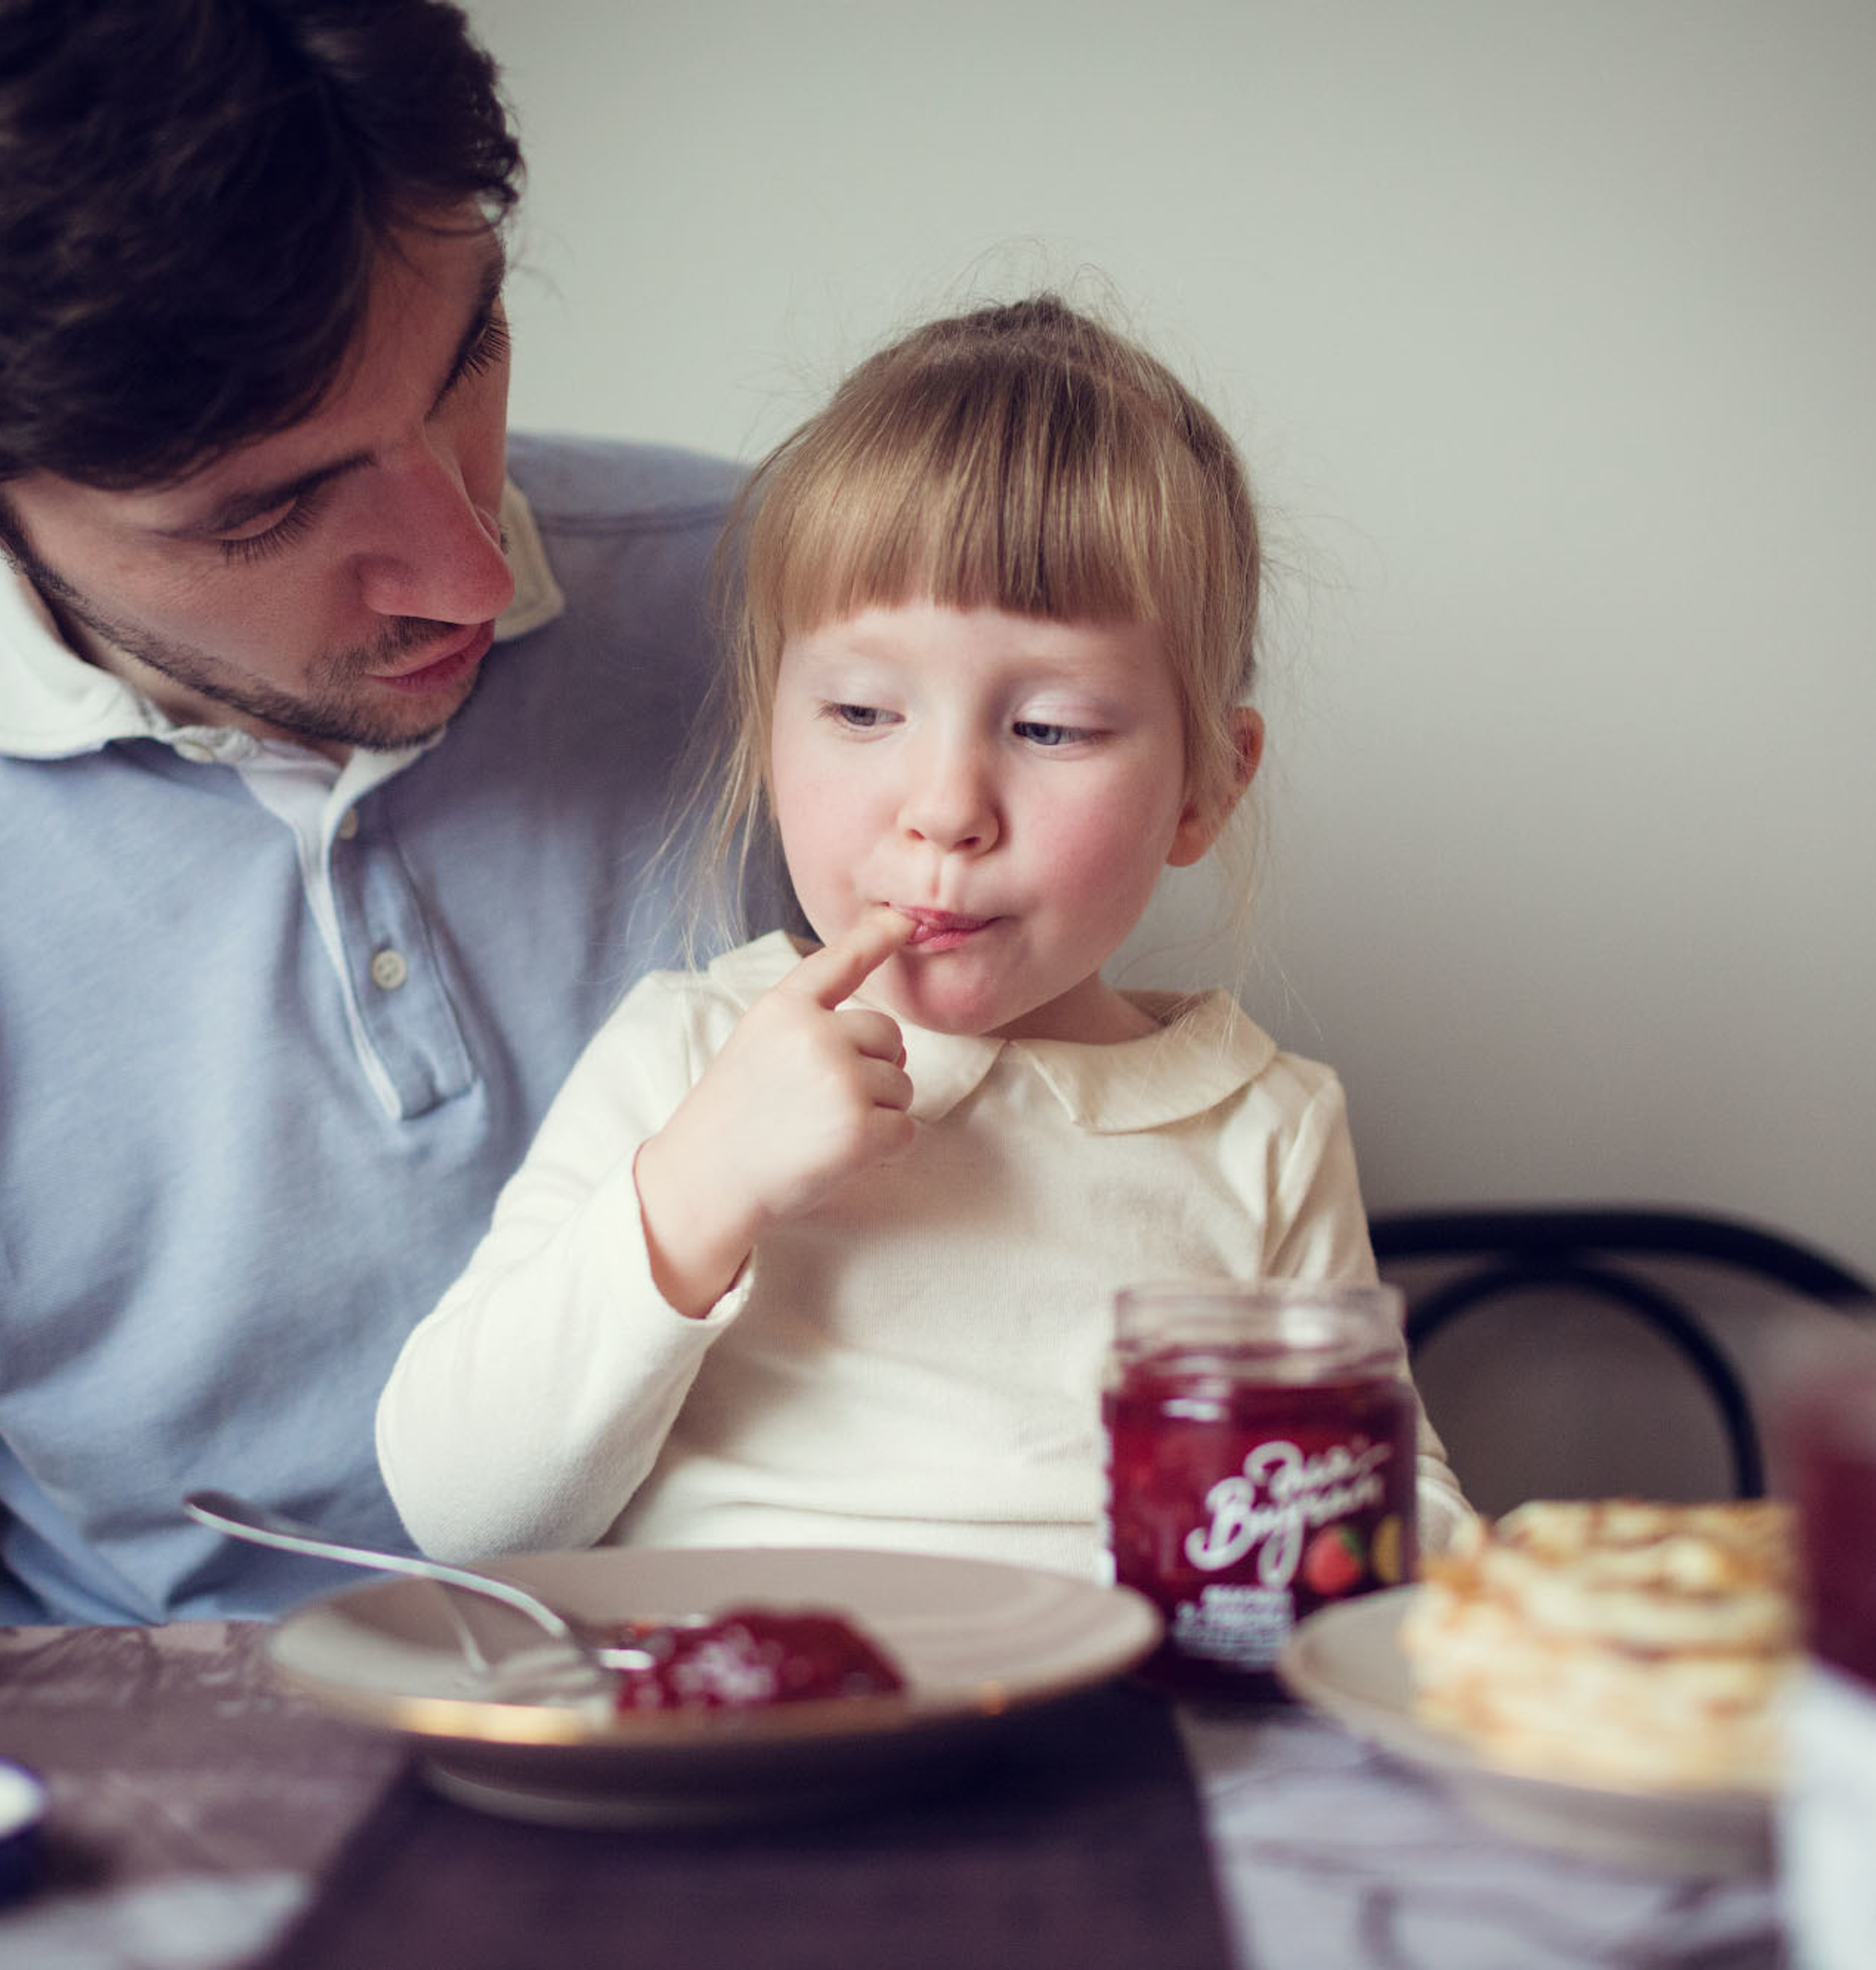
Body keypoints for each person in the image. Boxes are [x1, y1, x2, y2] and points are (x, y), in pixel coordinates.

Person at [0, 0, 790, 1627]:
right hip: (189, 1761)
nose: (472, 571)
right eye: (265, 510)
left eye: (472, 358)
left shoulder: (817, 621)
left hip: (826, 1702)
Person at [376, 297, 1472, 1578]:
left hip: (1115, 1697)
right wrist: (698, 1189)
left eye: (1051, 728)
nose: (945, 808)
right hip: (737, 1690)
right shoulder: (692, 1055)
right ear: (770, 736)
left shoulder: (1263, 1131)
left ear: (1205, 789)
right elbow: (462, 1514)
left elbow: (1392, 1541)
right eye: (860, 712)